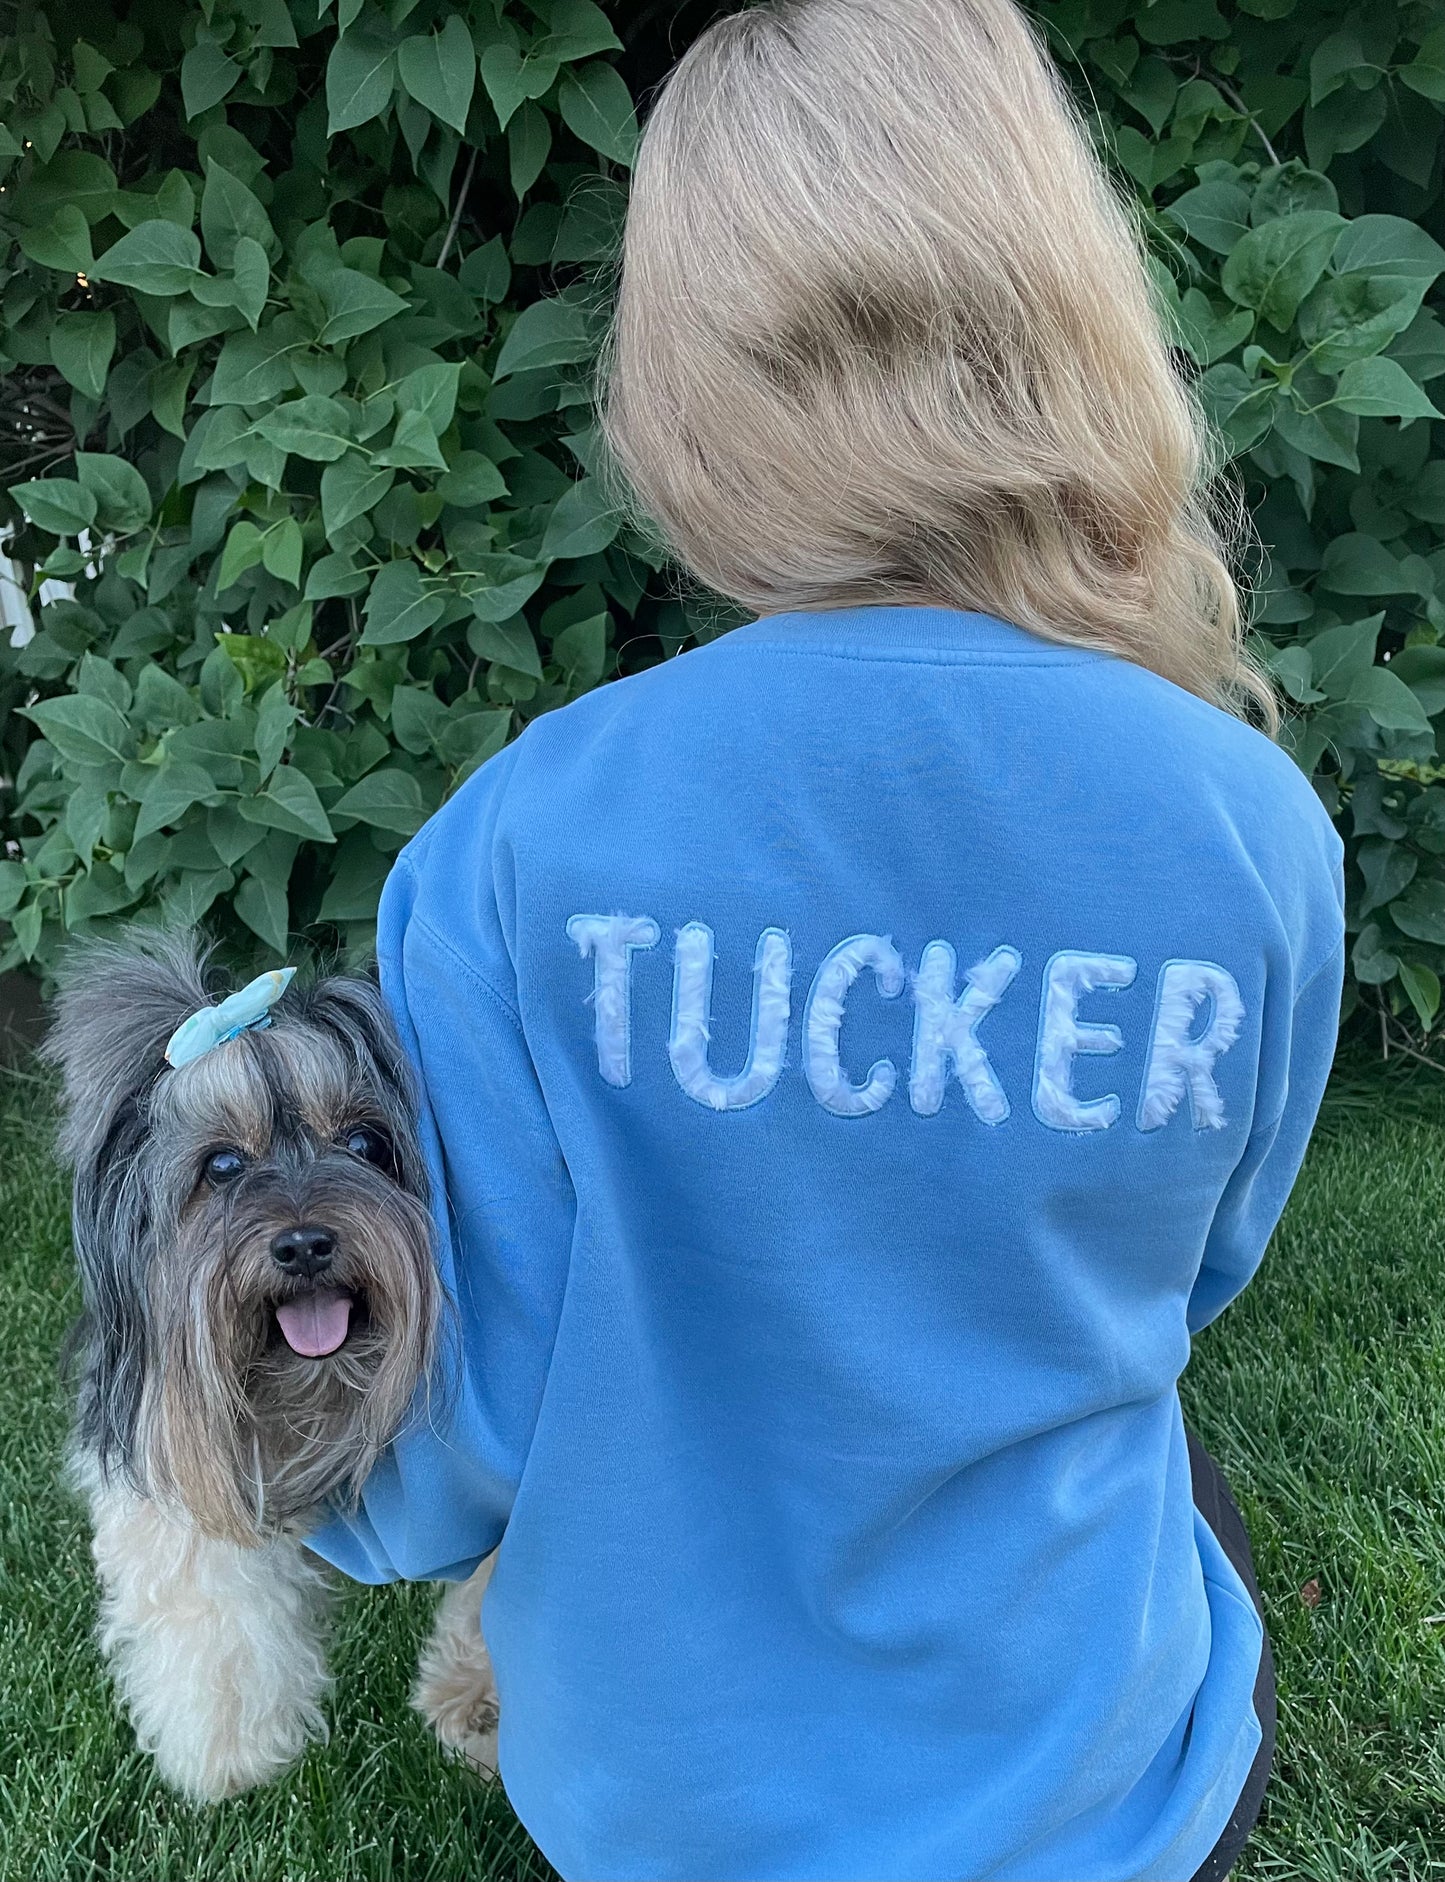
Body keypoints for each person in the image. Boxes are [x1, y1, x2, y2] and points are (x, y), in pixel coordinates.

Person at [304, 1, 1345, 1875]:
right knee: (1174, 1469)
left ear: (684, 377)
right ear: (1060, 313)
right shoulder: (1247, 826)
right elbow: (1190, 1278)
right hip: (1091, 1803)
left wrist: (305, 1498)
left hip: (658, 1814)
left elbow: (448, 1444)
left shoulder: (518, 844)